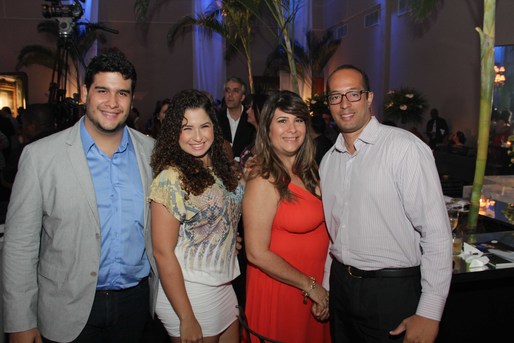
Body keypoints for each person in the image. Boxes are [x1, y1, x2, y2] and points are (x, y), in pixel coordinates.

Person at [2, 51, 157, 342]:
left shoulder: (152, 154)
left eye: (122, 93)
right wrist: (20, 322)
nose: (112, 103)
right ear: (85, 92)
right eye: (103, 91)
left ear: (132, 98)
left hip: (137, 308)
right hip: (65, 308)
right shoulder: (40, 157)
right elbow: (19, 246)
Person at [320, 64, 452, 343]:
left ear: (369, 98)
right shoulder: (329, 160)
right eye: (335, 96)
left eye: (353, 94)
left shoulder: (405, 149)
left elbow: (437, 232)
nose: (344, 104)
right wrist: (327, 285)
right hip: (341, 289)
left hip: (391, 292)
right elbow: (336, 234)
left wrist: (430, 312)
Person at [148, 89, 244, 342]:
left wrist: (224, 236)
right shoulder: (171, 178)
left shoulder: (218, 167)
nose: (198, 136)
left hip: (223, 284)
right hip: (189, 290)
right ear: (173, 132)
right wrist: (186, 317)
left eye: (204, 126)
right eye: (187, 128)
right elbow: (162, 251)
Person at [243, 90, 331, 343]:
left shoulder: (309, 169)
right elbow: (256, 253)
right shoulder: (263, 178)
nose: (292, 129)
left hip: (313, 288)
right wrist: (311, 287)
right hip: (282, 290)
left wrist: (321, 287)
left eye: (298, 120)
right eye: (282, 121)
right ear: (267, 129)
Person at [217, 77, 256, 159]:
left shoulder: (251, 118)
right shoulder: (217, 118)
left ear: (242, 97)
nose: (230, 95)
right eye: (227, 90)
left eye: (235, 91)